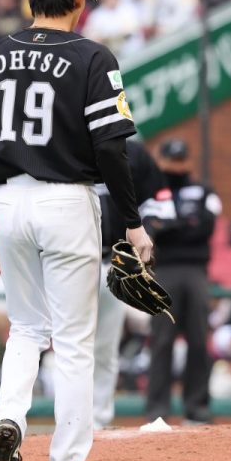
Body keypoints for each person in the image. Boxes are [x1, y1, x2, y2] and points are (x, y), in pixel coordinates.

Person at [0, 0, 152, 461]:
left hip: (7, 199)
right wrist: (132, 223)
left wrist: (3, 185)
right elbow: (111, 149)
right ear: (78, 0)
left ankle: (8, 418)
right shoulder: (92, 56)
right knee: (73, 344)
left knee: (26, 328)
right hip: (67, 200)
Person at [93, 140, 175, 429]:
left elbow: (160, 200)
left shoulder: (133, 152)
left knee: (105, 347)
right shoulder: (67, 141)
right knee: (72, 345)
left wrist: (145, 232)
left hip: (116, 261)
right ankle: (71, 420)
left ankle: (98, 420)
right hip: (72, 260)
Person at [145, 138, 221, 425]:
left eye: (181, 159)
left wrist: (171, 226)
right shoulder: (153, 191)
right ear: (161, 160)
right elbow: (151, 228)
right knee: (162, 341)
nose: (177, 165)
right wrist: (183, 224)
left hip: (196, 270)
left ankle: (197, 407)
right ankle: (157, 409)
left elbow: (205, 228)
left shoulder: (204, 191)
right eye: (171, 159)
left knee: (199, 339)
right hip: (163, 270)